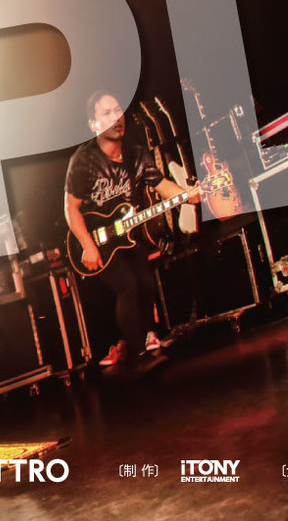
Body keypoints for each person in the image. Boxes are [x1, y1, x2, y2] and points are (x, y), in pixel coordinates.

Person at [64, 93, 187, 379]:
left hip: (128, 237)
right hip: (96, 241)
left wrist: (188, 195)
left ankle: (142, 342)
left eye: (118, 110)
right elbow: (71, 208)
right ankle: (137, 356)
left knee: (146, 284)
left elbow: (162, 186)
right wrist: (87, 245)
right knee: (128, 286)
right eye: (106, 113)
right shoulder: (84, 160)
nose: (115, 117)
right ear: (94, 124)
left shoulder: (136, 155)